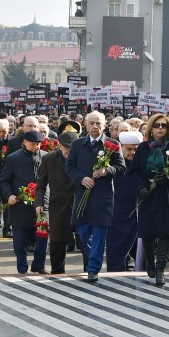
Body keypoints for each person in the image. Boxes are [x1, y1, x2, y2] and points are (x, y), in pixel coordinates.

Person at [65, 111, 126, 282]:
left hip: (103, 196)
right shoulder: (77, 145)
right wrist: (81, 178)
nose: (95, 126)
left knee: (99, 234)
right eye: (91, 123)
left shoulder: (112, 144)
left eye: (98, 123)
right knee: (83, 234)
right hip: (83, 194)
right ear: (85, 124)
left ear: (105, 125)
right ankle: (93, 257)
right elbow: (69, 166)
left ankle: (93, 268)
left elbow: (121, 168)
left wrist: (106, 171)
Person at [130, 113, 169, 286]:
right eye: (157, 125)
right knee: (147, 233)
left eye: (164, 126)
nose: (160, 128)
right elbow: (134, 171)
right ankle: (150, 262)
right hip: (148, 194)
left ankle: (160, 269)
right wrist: (140, 187)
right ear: (151, 128)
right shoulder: (143, 148)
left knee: (166, 233)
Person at [0, 130, 48, 274]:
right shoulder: (13, 158)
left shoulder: (46, 157)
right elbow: (4, 181)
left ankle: (39, 266)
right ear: (24, 143)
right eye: (33, 144)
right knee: (19, 241)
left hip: (41, 204)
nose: (36, 147)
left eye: (38, 144)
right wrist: (9, 195)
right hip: (20, 204)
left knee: (42, 238)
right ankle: (22, 266)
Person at [36, 125, 79, 274]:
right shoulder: (49, 159)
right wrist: (39, 203)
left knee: (85, 241)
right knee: (57, 242)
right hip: (57, 205)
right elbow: (41, 184)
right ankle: (57, 272)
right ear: (60, 145)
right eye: (66, 150)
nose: (68, 154)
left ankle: (89, 272)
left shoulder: (81, 157)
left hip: (79, 204)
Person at [106, 131, 143, 272]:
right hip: (118, 210)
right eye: (129, 149)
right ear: (121, 147)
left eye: (136, 149)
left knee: (140, 246)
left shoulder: (142, 163)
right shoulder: (114, 163)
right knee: (117, 245)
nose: (133, 152)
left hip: (139, 209)